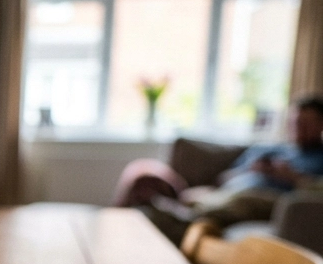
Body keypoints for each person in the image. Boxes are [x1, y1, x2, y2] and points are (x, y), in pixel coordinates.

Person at [115, 96, 323, 244]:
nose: (298, 127)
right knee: (147, 179)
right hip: (228, 193)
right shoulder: (267, 149)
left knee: (245, 200)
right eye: (295, 122)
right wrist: (253, 170)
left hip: (269, 198)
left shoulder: (319, 157)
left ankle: (179, 218)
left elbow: (316, 189)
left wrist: (290, 176)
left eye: (306, 123)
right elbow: (225, 177)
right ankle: (162, 215)